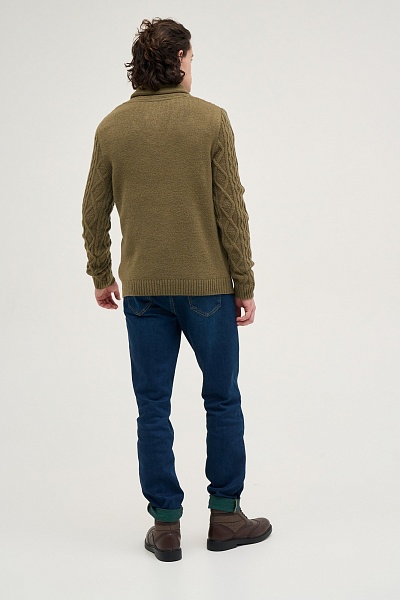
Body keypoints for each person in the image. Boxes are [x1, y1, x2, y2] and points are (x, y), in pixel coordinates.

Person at [81, 17, 272, 562]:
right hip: (209, 290)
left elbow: (93, 210)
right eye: (192, 57)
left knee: (152, 407)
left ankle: (166, 526)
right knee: (222, 398)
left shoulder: (112, 127)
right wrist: (244, 280)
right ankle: (225, 517)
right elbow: (230, 208)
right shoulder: (211, 120)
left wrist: (102, 274)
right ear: (181, 59)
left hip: (143, 292)